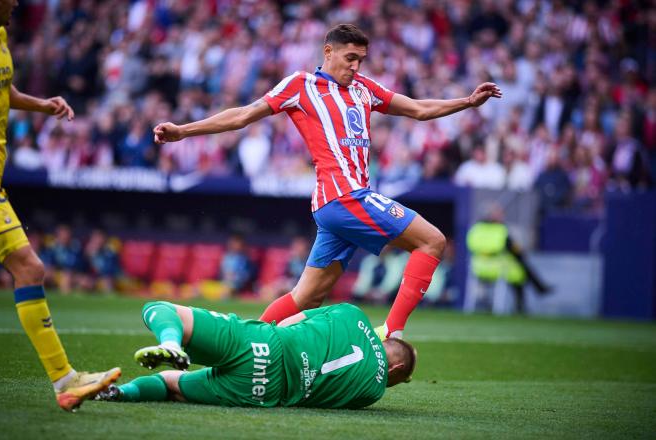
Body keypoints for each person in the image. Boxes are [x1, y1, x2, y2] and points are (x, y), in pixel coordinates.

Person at [154, 24, 502, 339]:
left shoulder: (365, 88)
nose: (356, 66)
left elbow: (418, 109)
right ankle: (391, 333)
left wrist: (468, 102)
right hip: (346, 197)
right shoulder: (300, 85)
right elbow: (243, 115)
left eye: (361, 60)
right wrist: (183, 130)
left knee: (306, 297)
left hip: (337, 206)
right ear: (328, 52)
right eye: (350, 58)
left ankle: (249, 345)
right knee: (433, 241)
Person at [0, 0, 119, 411]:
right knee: (29, 268)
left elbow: (4, 90)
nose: (15, 3)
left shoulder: (0, 36)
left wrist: (41, 104)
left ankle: (65, 380)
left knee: (30, 269)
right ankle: (64, 379)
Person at [95, 300, 416, 409]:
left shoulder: (353, 313)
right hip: (264, 392)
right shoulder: (373, 392)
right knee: (170, 385)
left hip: (264, 342)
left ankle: (172, 343)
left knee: (160, 309)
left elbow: (294, 320)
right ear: (397, 368)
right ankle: (119, 395)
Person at [466, 205, 550, 313]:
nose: (502, 216)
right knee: (519, 271)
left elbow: (470, 245)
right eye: (499, 214)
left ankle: (538, 288)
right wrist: (521, 253)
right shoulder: (500, 230)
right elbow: (513, 248)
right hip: (497, 267)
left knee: (519, 266)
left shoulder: (475, 229)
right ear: (492, 216)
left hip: (478, 267)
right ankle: (521, 305)